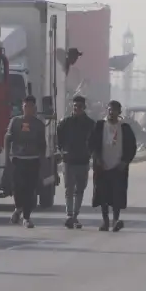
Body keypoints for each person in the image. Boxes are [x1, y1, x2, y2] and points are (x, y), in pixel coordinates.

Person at [88, 100, 137, 232]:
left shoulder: (125, 128)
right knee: (102, 195)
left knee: (117, 195)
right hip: (102, 167)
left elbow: (132, 147)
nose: (111, 112)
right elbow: (92, 145)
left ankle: (116, 220)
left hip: (118, 167)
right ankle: (105, 221)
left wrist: (125, 161)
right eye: (109, 109)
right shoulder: (99, 126)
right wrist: (98, 160)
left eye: (114, 110)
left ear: (119, 112)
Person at [5, 95, 47, 228]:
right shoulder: (15, 122)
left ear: (34, 108)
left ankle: (27, 217)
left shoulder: (39, 124)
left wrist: (42, 160)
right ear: (22, 107)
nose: (28, 109)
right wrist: (7, 157)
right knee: (18, 188)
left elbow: (42, 144)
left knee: (30, 189)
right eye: (26, 106)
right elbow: (8, 139)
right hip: (18, 159)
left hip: (33, 160)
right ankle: (18, 208)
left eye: (31, 107)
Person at [57, 95, 95, 229]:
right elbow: (59, 138)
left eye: (79, 107)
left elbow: (94, 142)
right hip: (68, 160)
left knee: (80, 189)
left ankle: (75, 215)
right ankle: (69, 215)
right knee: (69, 188)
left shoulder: (90, 124)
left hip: (83, 161)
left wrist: (90, 153)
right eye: (75, 107)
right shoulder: (65, 122)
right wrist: (62, 151)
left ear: (84, 108)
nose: (77, 109)